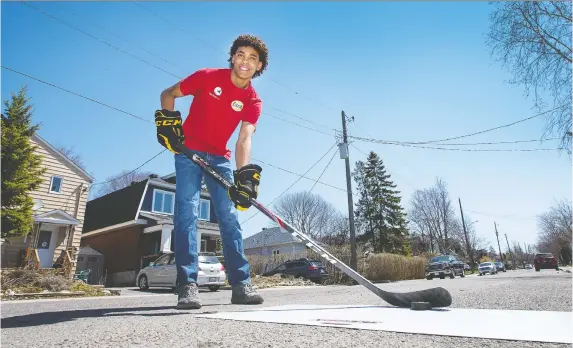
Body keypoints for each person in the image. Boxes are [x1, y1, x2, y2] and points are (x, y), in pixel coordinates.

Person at [154, 34, 269, 309]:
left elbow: (244, 139)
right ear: (232, 57)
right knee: (187, 211)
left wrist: (244, 176)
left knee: (229, 218)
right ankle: (188, 285)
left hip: (219, 158)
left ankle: (241, 285)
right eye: (241, 54)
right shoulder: (206, 77)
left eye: (253, 58)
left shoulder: (253, 100)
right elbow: (167, 94)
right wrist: (168, 123)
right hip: (188, 152)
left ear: (259, 66)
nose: (245, 61)